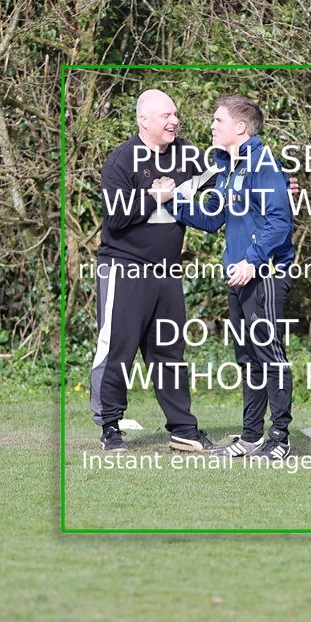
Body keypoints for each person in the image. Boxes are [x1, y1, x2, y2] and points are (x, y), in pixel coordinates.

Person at [90, 89, 219, 453]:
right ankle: (110, 429)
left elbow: (223, 184)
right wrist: (155, 197)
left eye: (175, 114)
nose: (174, 121)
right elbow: (115, 218)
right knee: (116, 349)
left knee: (169, 351)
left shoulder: (187, 154)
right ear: (144, 120)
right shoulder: (122, 161)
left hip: (167, 272)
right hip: (124, 268)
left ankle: (183, 430)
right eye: (166, 116)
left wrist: (272, 187)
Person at [169, 95, 296, 461]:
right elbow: (212, 220)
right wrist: (171, 201)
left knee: (270, 356)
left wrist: (253, 261)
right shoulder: (230, 168)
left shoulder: (265, 164)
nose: (212, 125)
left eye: (218, 120)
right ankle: (251, 436)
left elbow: (279, 222)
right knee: (248, 359)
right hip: (238, 279)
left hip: (265, 276)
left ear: (239, 127)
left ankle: (280, 439)